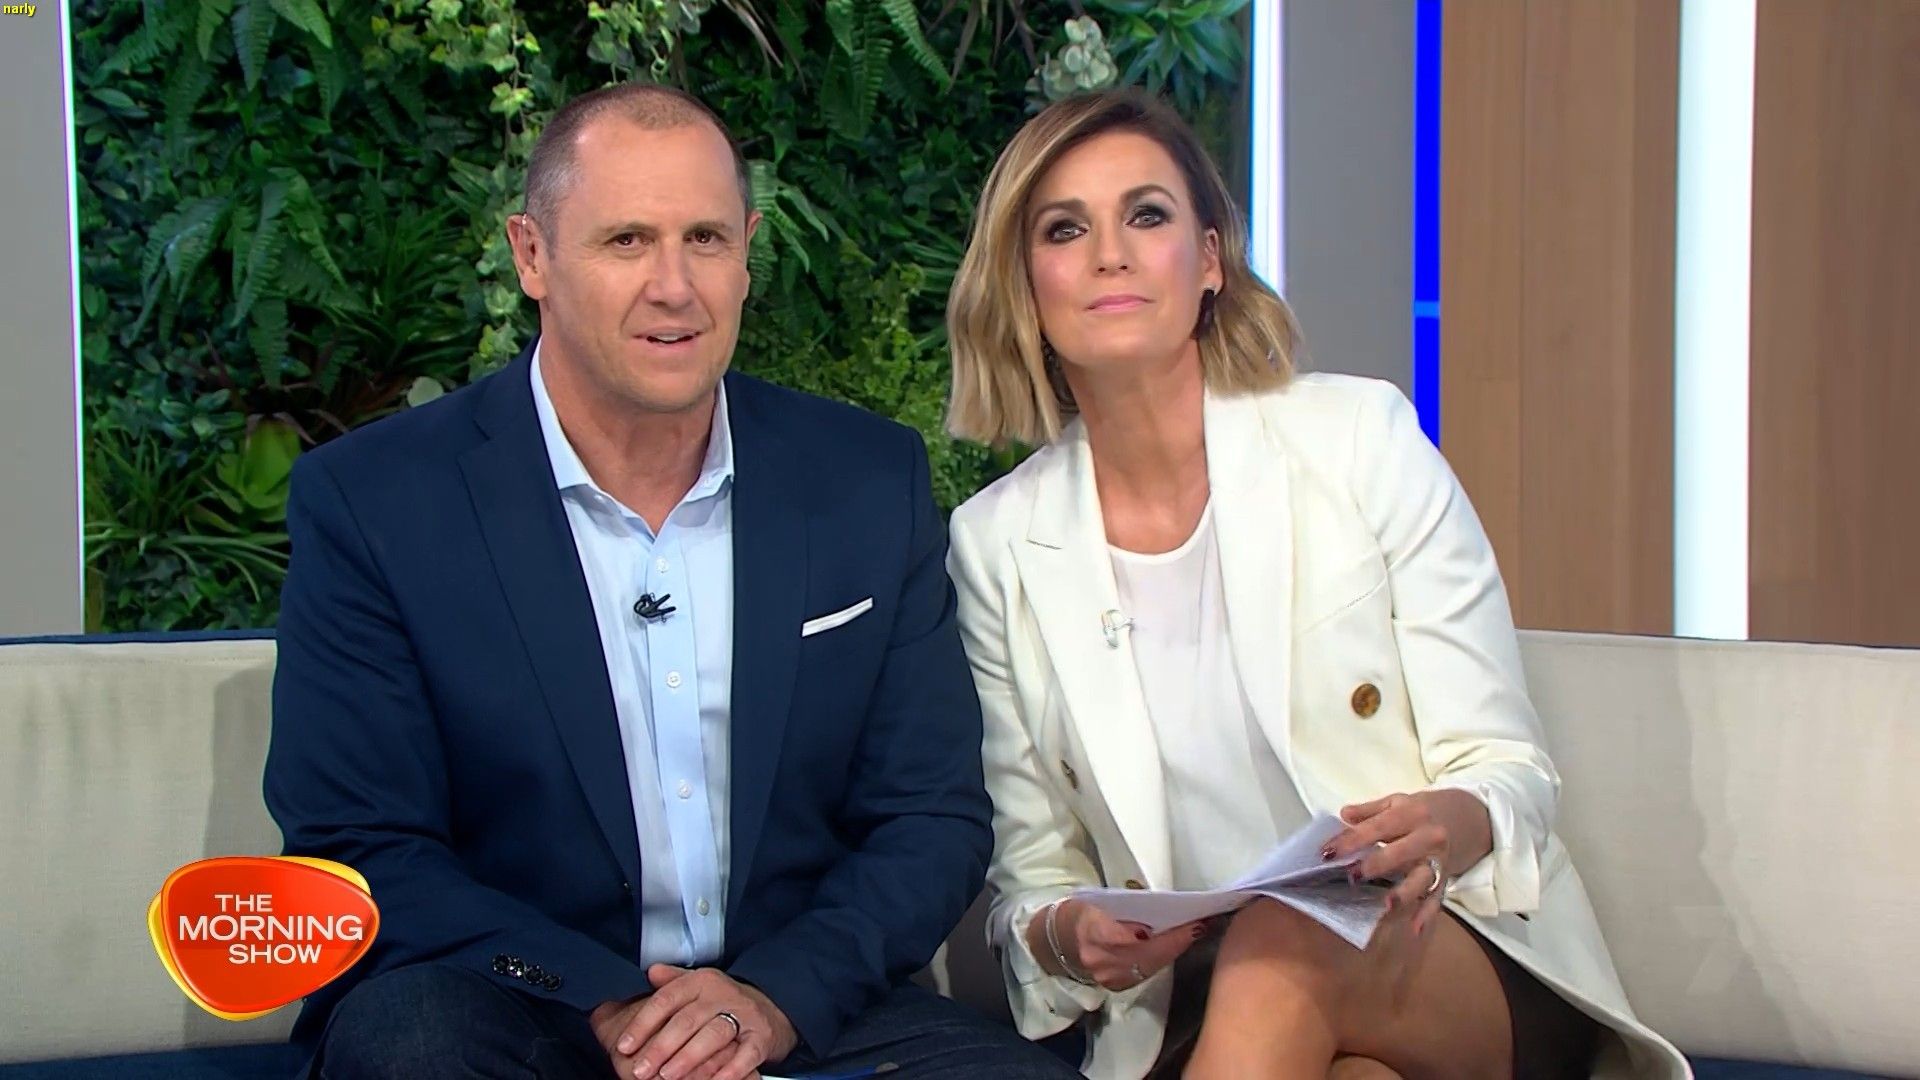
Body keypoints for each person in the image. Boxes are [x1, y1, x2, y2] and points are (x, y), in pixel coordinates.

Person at [264, 82, 1080, 1080]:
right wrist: (611, 1007)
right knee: (412, 1054)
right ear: (532, 255)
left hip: (788, 1004)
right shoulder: (377, 503)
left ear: (747, 253)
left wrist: (774, 1001)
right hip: (515, 1004)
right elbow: (358, 844)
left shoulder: (866, 480)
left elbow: (930, 816)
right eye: (626, 242)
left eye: (705, 239)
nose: (674, 286)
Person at [942, 89, 1691, 1080]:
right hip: (1198, 1000)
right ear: (1024, 283)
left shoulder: (1360, 441)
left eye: (1147, 215)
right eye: (1066, 229)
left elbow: (1506, 765)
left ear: (1211, 260)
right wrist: (1069, 935)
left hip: (1449, 947)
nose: (1109, 254)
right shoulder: (995, 543)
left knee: (1286, 936)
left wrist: (1449, 823)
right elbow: (1034, 876)